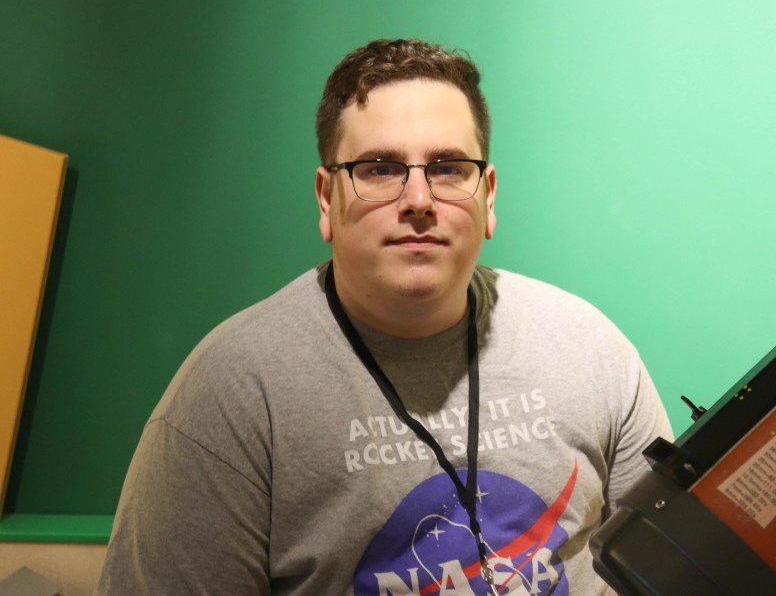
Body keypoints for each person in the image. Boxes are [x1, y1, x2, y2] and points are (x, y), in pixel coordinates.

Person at [97, 38, 672, 595]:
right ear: (327, 199)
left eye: (448, 168)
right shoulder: (232, 396)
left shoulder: (592, 353)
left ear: (488, 195)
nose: (419, 199)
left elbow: (669, 570)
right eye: (379, 169)